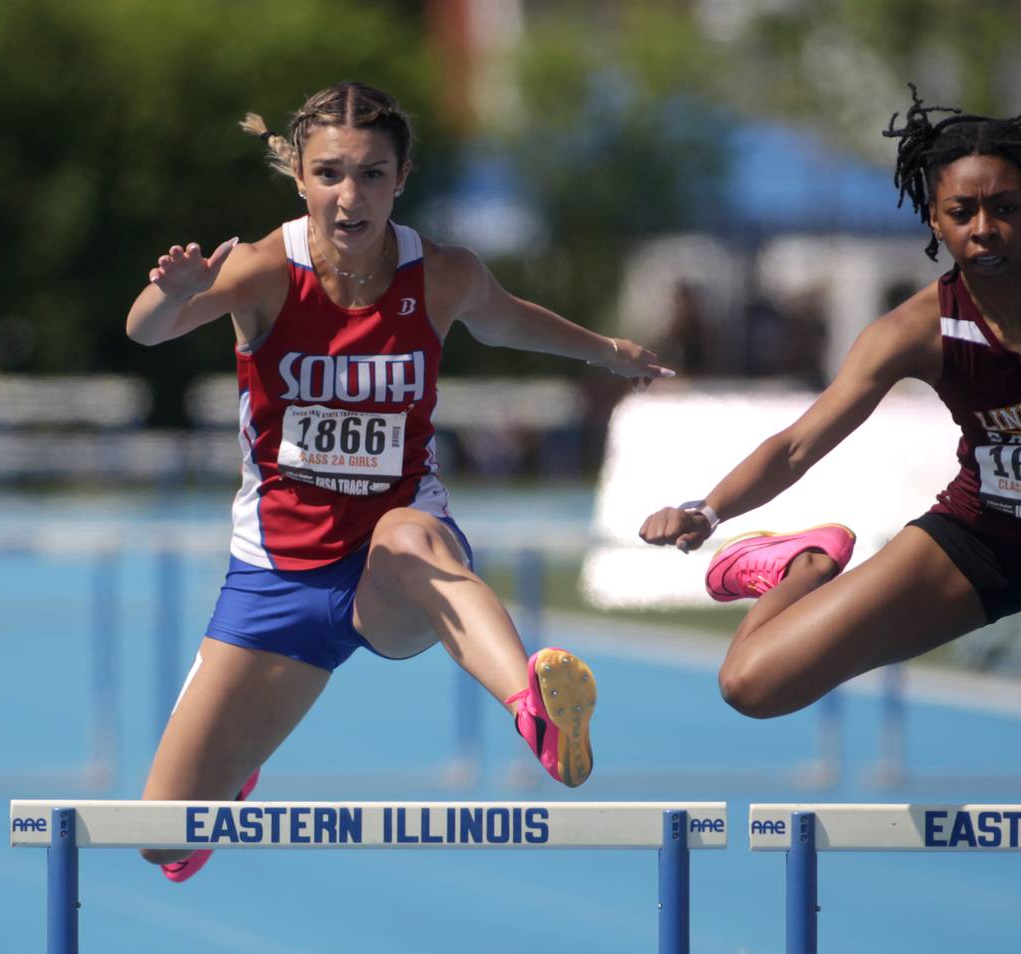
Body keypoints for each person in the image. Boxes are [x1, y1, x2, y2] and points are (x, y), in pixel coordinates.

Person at [126, 82, 671, 881]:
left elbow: (512, 317)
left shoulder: (442, 275)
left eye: (373, 174)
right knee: (160, 837)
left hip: (394, 570)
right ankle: (232, 773)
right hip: (276, 579)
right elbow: (148, 329)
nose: (351, 197)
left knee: (411, 532)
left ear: (402, 177)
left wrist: (608, 351)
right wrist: (170, 296)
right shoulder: (265, 270)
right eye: (331, 174)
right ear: (301, 179)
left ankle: (533, 709)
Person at [639, 85, 1021, 741]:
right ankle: (803, 566)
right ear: (935, 222)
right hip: (983, 536)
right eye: (961, 212)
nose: (984, 228)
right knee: (752, 684)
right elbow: (798, 444)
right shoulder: (914, 331)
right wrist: (707, 512)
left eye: (1004, 208)